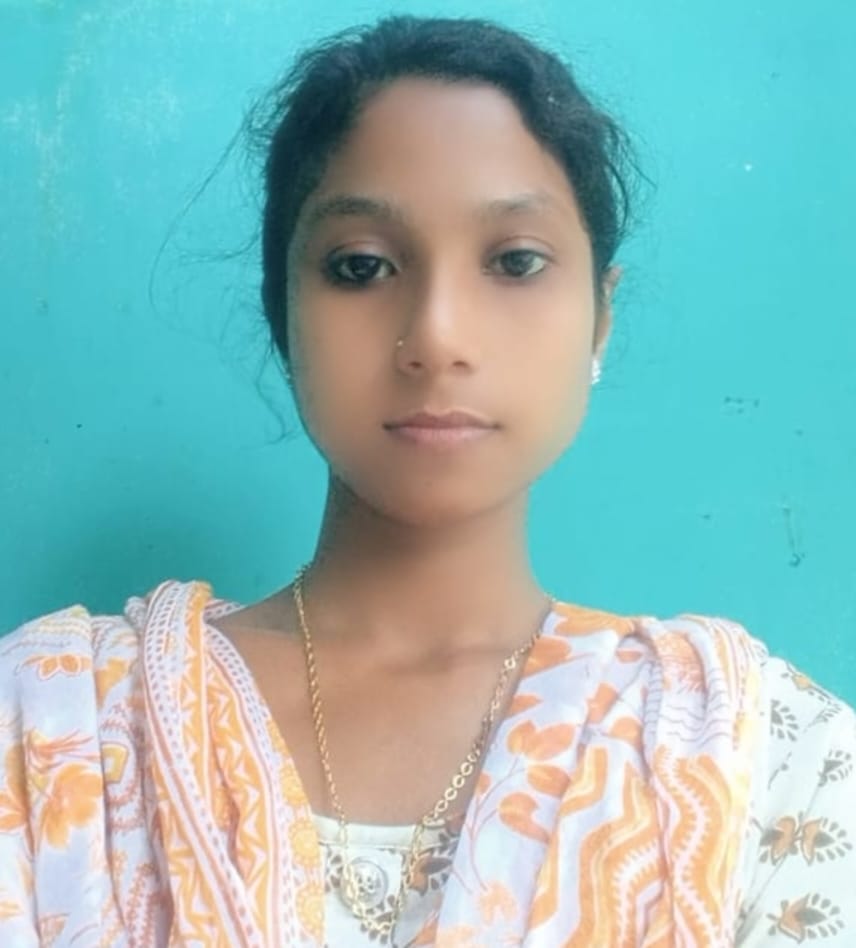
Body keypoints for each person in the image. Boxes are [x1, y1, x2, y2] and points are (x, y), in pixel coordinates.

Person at [1, 14, 853, 947]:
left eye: (515, 262)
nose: (438, 336)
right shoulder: (52, 733)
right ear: (283, 315)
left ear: (599, 318)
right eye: (361, 267)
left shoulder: (765, 760)